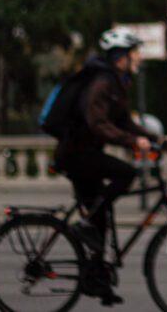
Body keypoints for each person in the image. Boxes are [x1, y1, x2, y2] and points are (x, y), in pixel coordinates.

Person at [54, 26, 160, 307]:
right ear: (120, 56)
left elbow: (124, 122)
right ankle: (85, 224)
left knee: (102, 218)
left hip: (85, 155)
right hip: (76, 155)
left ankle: (97, 281)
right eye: (134, 53)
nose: (138, 57)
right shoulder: (102, 82)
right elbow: (98, 124)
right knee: (126, 173)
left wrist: (155, 138)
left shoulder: (116, 82)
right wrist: (133, 141)